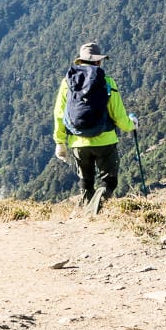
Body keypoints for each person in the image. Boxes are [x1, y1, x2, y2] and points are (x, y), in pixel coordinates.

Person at [52, 41, 136, 212]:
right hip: (105, 141)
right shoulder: (108, 82)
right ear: (98, 61)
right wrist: (131, 126)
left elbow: (60, 114)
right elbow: (118, 115)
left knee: (86, 182)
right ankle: (97, 208)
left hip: (78, 142)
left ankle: (87, 214)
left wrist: (60, 142)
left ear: (81, 61)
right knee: (109, 181)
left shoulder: (67, 84)